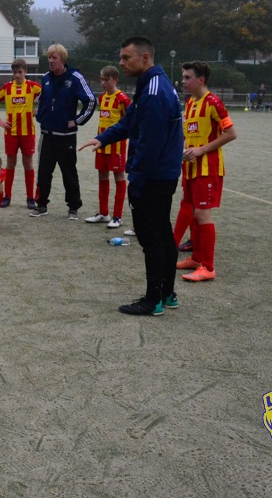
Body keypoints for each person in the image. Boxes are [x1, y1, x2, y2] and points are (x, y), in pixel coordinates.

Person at [79, 36, 183, 316]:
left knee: (152, 238)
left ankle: (153, 300)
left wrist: (136, 179)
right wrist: (104, 138)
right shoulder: (153, 84)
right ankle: (168, 293)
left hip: (153, 176)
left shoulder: (153, 92)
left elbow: (150, 144)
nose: (121, 63)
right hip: (162, 173)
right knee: (163, 233)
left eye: (126, 58)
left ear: (145, 58)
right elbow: (129, 121)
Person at [172, 61, 238, 282]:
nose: (183, 81)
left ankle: (208, 267)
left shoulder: (213, 102)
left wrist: (201, 150)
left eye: (187, 77)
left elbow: (231, 133)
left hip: (208, 168)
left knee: (202, 213)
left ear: (200, 80)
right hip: (190, 168)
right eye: (183, 77)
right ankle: (196, 258)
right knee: (190, 209)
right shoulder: (190, 103)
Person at [31, 43, 95, 219]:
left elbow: (90, 101)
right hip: (47, 134)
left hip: (66, 136)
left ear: (63, 60)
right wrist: (41, 115)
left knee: (69, 172)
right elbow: (43, 100)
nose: (50, 61)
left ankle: (73, 207)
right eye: (49, 58)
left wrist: (77, 121)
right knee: (44, 171)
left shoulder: (75, 78)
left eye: (54, 58)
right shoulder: (45, 78)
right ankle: (41, 204)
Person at [84, 65, 132, 230]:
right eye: (102, 79)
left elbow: (129, 123)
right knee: (102, 176)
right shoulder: (102, 98)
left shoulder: (123, 99)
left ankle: (118, 216)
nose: (103, 82)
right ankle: (104, 213)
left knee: (119, 177)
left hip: (117, 146)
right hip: (101, 145)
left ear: (115, 80)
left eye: (107, 79)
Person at [0, 58, 41, 208]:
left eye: (20, 72)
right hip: (11, 132)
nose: (17, 75)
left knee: (28, 164)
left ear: (25, 72)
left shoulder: (32, 86)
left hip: (27, 133)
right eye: (14, 72)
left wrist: (38, 110)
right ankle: (7, 197)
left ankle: (30, 198)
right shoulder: (7, 87)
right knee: (10, 164)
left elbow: (49, 96)